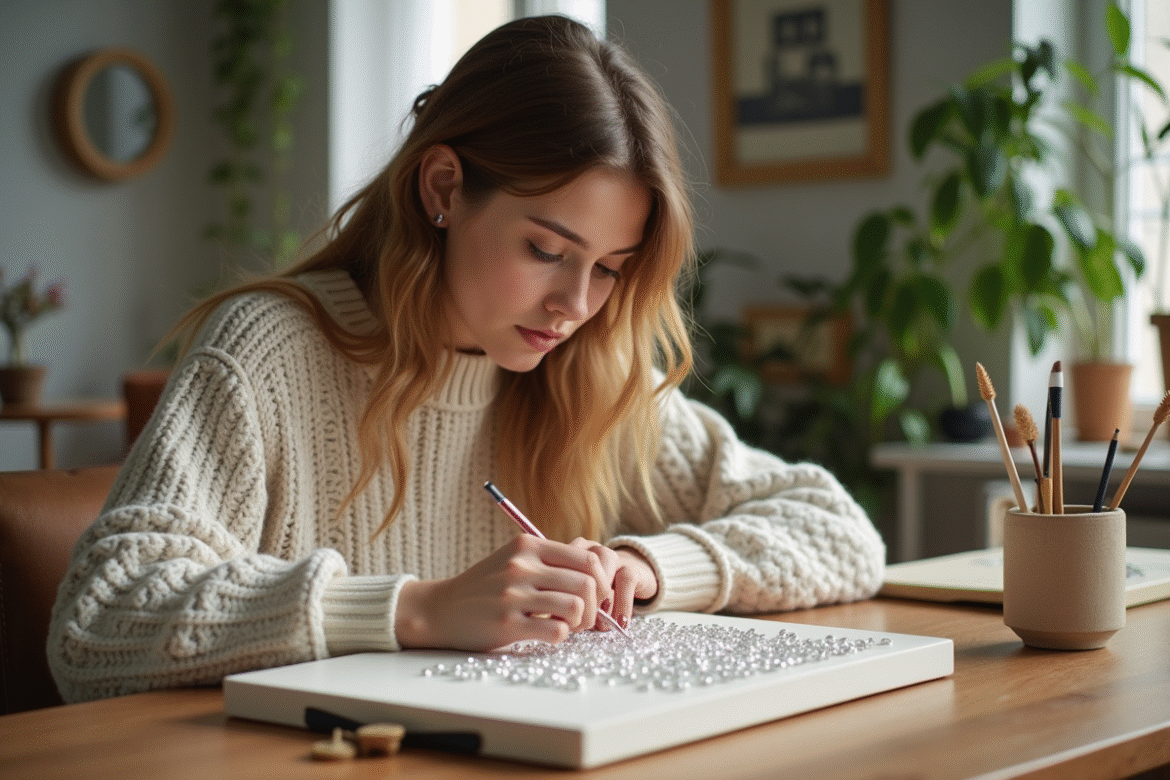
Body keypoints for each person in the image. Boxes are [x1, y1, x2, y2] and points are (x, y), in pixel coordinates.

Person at [47, 15, 885, 704]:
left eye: (610, 270)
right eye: (546, 249)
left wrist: (647, 568)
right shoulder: (268, 352)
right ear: (444, 188)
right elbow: (97, 621)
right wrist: (415, 609)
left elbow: (839, 531)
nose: (577, 305)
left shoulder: (584, 370)